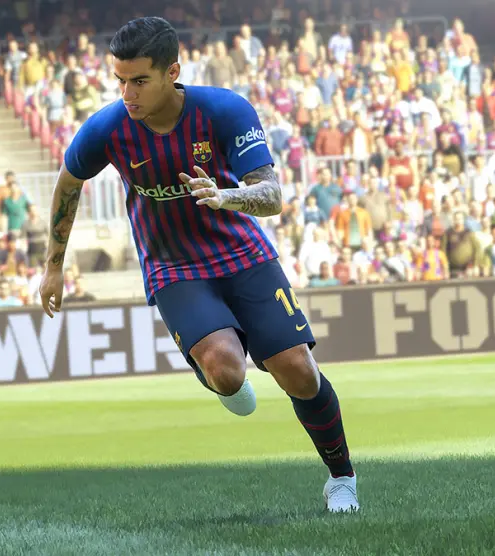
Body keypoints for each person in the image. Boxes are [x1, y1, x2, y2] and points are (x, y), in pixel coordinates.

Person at [37, 17, 359, 513]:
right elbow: (68, 181)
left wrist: (226, 196)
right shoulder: (107, 127)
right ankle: (213, 371)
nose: (127, 94)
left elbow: (272, 195)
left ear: (173, 72)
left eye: (139, 80)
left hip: (245, 256)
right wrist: (53, 266)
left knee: (298, 370)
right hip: (173, 268)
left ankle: (342, 479)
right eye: (120, 80)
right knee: (227, 372)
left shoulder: (224, 110)